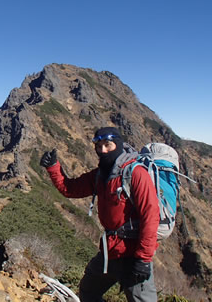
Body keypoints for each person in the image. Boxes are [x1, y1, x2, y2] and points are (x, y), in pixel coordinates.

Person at [40, 127, 160, 302]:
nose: (102, 150)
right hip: (109, 252)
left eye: (108, 145)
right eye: (98, 146)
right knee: (88, 291)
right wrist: (53, 168)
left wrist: (143, 259)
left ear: (118, 145)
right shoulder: (100, 175)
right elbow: (70, 189)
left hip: (132, 255)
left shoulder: (136, 173)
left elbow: (150, 216)